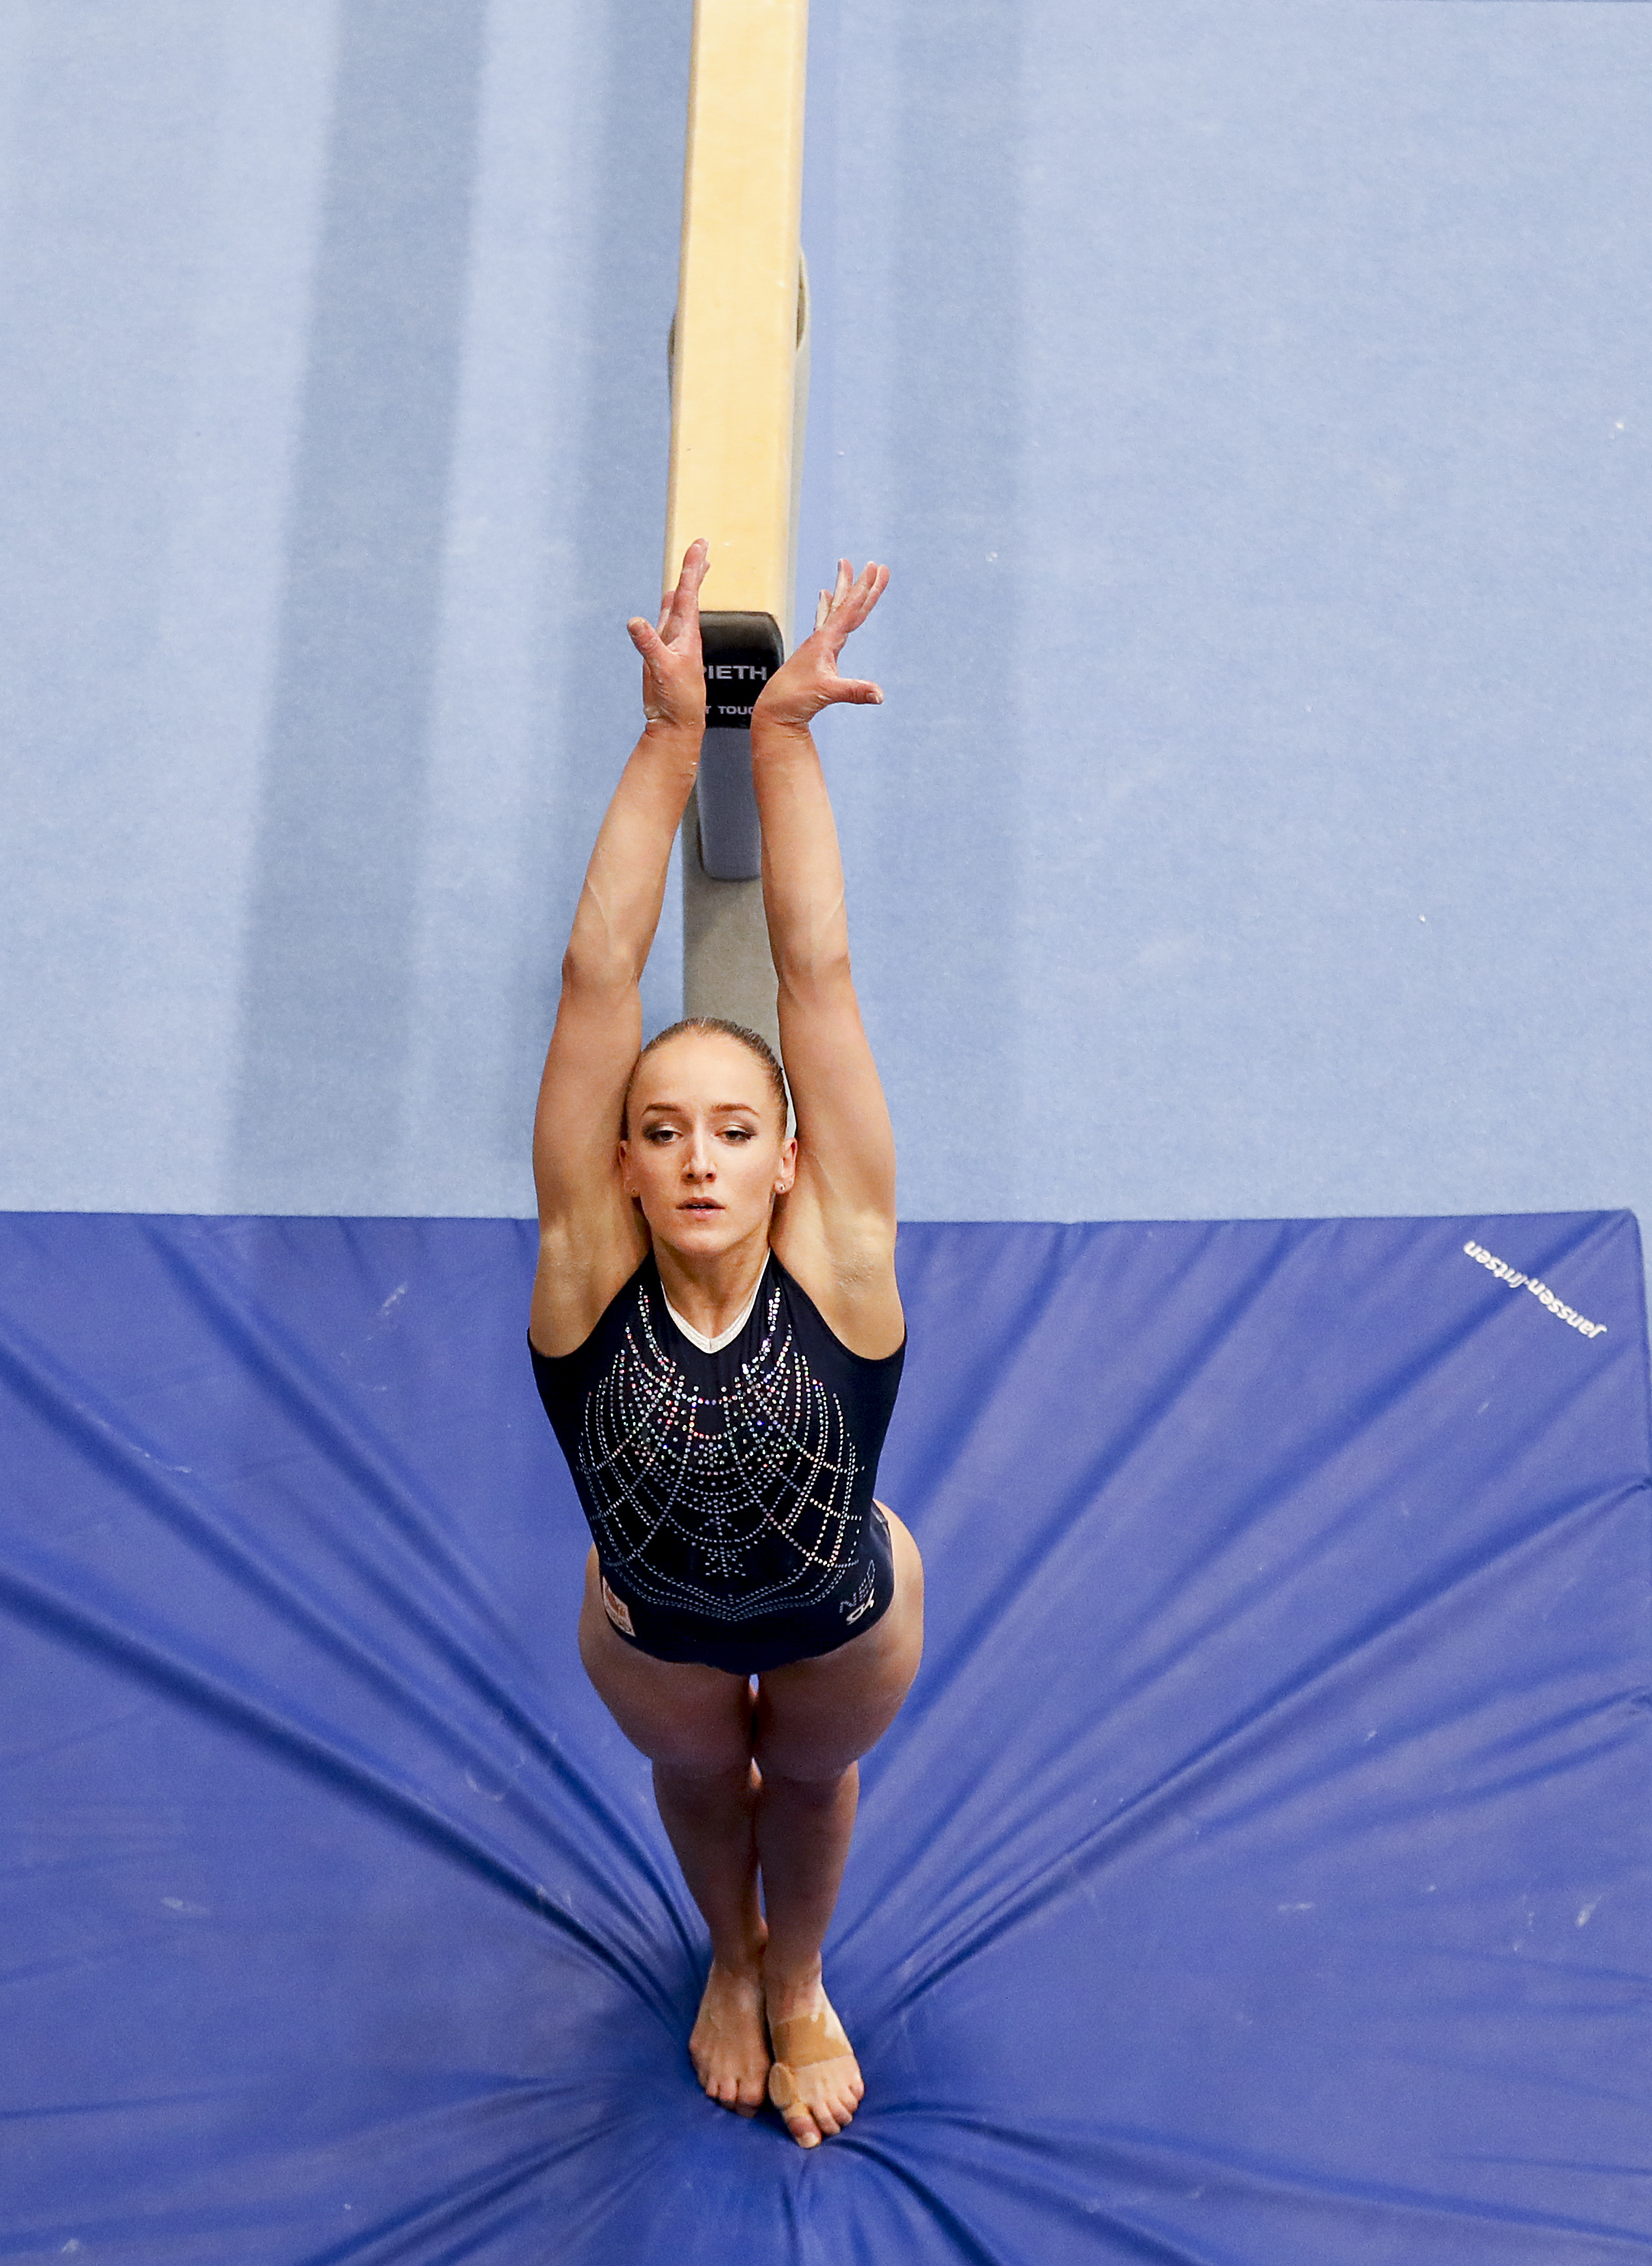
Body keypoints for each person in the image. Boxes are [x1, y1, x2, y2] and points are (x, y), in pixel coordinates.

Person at [529, 538, 923, 2150]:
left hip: (843, 1615)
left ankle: (804, 1966)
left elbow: (817, 975)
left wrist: (784, 743)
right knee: (702, 1783)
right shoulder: (582, 1279)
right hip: (651, 1628)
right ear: (616, 1164)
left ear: (790, 1157)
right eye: (663, 1129)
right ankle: (734, 1949)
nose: (697, 1155)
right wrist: (667, 740)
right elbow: (594, 974)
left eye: (734, 1127)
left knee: (811, 1783)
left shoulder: (842, 1262)